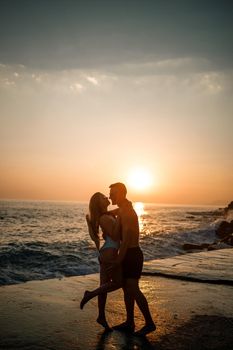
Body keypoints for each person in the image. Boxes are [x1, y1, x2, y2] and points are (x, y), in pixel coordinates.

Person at [107, 182, 156, 336]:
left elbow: (127, 240)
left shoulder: (127, 211)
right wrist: (107, 214)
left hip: (132, 254)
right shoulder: (123, 208)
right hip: (128, 253)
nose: (110, 196)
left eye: (113, 193)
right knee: (127, 290)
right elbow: (117, 211)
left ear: (121, 193)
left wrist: (117, 261)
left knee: (133, 289)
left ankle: (149, 323)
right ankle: (129, 322)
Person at [80, 192, 122, 330]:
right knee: (119, 282)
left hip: (106, 253)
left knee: (103, 286)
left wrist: (118, 212)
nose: (106, 198)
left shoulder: (106, 215)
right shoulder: (104, 218)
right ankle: (90, 294)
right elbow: (116, 235)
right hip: (109, 254)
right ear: (99, 203)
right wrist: (121, 218)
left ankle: (101, 317)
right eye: (103, 197)